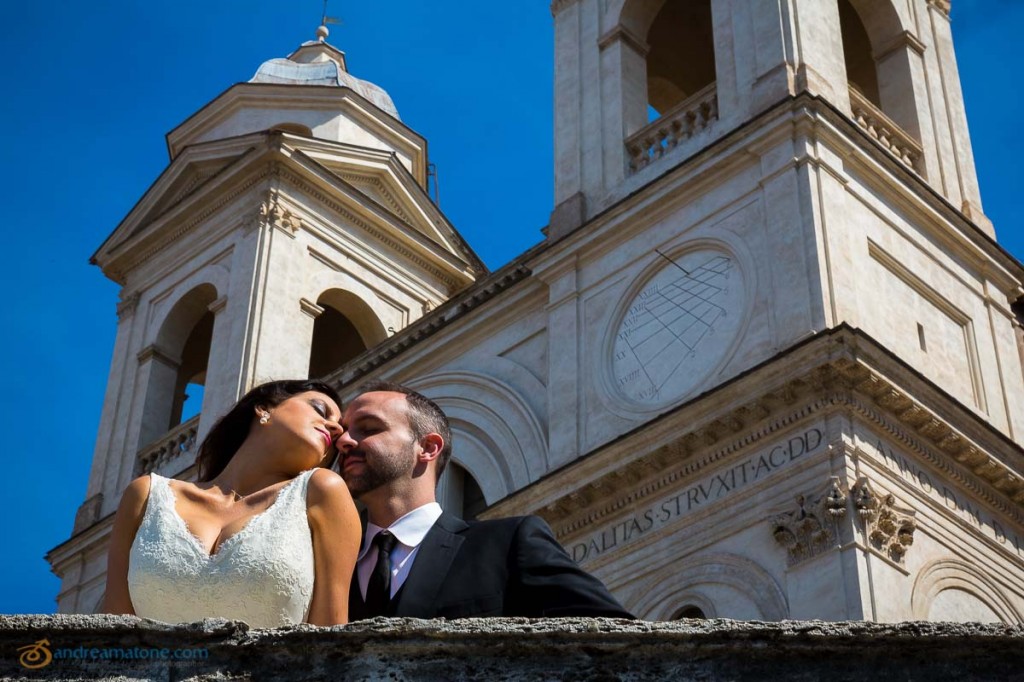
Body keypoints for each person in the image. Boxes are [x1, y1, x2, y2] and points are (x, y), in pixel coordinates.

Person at [336, 380, 634, 619]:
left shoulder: (508, 544)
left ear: (427, 447)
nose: (344, 441)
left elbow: (620, 646)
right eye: (345, 431)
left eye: (370, 429)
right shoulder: (329, 564)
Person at [103, 380, 362, 627]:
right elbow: (113, 633)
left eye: (338, 426)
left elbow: (329, 640)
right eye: (319, 409)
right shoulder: (146, 495)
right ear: (264, 407)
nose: (337, 429)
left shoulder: (323, 492)